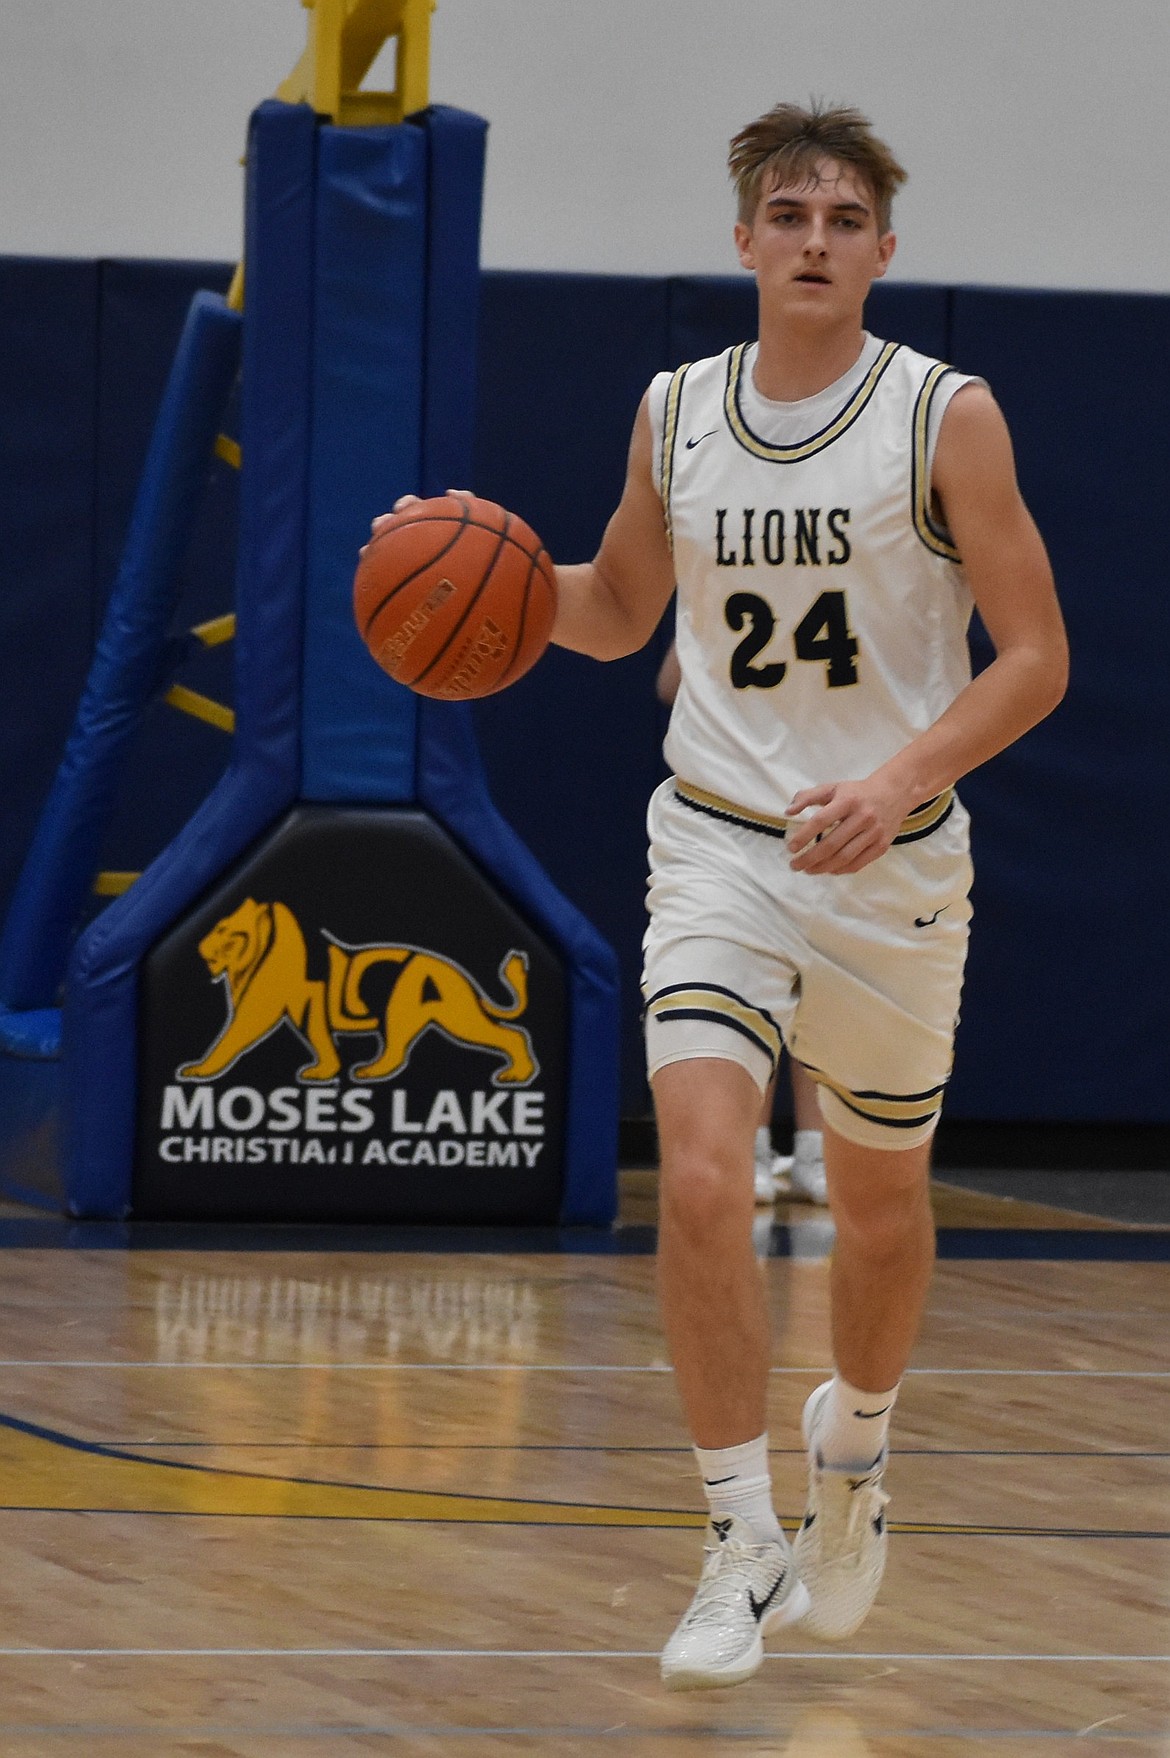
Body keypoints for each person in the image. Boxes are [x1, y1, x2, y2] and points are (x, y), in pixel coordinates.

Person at [375, 101, 1067, 1692]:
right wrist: (439, 588)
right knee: (694, 1177)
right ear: (742, 239)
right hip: (715, 843)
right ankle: (733, 1531)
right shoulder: (673, 409)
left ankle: (855, 1449)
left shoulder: (943, 416)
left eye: (841, 218)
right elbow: (617, 612)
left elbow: (1034, 657)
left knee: (880, 1210)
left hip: (891, 860)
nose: (813, 239)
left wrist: (893, 782)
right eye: (787, 213)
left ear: (883, 251)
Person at [656, 640, 827, 1206]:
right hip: (739, 810)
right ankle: (751, 1146)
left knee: (824, 985)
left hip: (839, 802)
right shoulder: (729, 563)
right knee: (748, 987)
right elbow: (671, 682)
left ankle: (814, 1151)